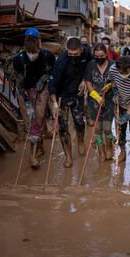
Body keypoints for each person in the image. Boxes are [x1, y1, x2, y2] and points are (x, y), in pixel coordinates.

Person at [13, 27, 56, 169]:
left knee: (39, 119)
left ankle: (39, 145)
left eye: (35, 41)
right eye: (29, 41)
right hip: (25, 91)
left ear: (39, 42)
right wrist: (27, 100)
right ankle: (33, 155)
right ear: (25, 42)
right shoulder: (18, 59)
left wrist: (52, 100)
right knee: (32, 122)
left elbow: (51, 75)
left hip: (42, 89)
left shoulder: (48, 56)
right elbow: (19, 83)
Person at [49, 37, 90, 168]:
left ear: (81, 50)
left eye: (75, 54)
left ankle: (80, 140)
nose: (73, 56)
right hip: (62, 96)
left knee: (79, 122)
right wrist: (54, 103)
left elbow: (90, 67)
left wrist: (85, 79)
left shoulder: (86, 53)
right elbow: (52, 84)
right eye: (70, 54)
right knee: (63, 127)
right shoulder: (61, 61)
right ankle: (68, 156)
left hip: (77, 93)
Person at [106, 56, 130, 172]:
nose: (123, 74)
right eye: (120, 72)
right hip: (119, 103)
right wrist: (115, 91)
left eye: (125, 72)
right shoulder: (113, 69)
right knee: (120, 131)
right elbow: (111, 81)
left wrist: (127, 115)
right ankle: (122, 153)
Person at [84, 43, 115, 162]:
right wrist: (97, 97)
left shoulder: (113, 65)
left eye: (101, 55)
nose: (98, 58)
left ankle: (109, 147)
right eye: (96, 56)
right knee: (97, 128)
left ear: (106, 54)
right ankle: (100, 150)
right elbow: (88, 84)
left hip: (109, 100)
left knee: (107, 127)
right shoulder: (90, 65)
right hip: (94, 101)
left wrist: (110, 85)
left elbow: (117, 80)